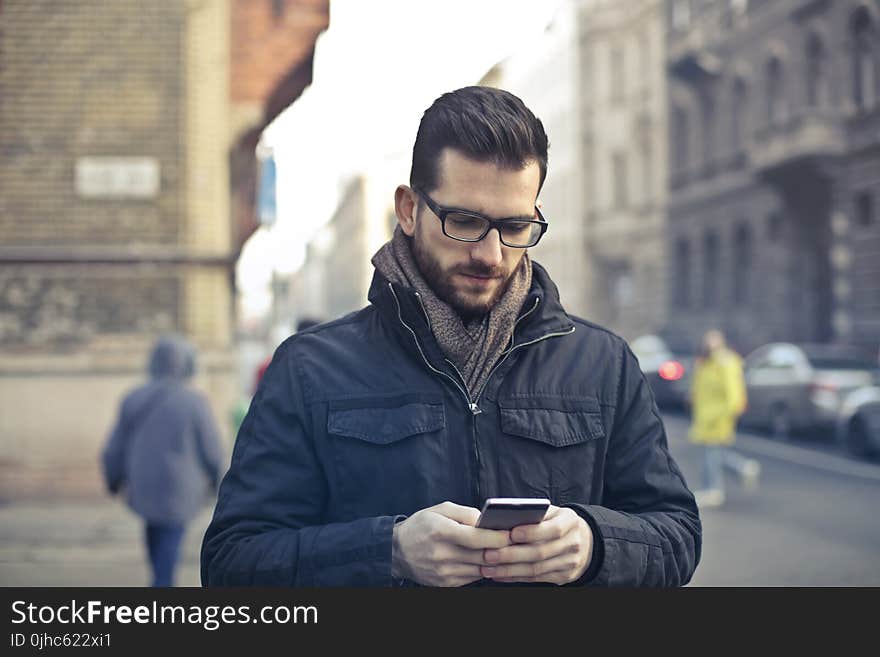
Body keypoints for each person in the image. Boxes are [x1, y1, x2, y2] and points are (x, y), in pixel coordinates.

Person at [201, 86, 700, 587]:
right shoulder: (309, 368)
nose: (490, 253)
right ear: (409, 209)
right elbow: (231, 564)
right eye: (464, 221)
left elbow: (677, 534)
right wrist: (387, 552)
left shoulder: (603, 362)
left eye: (515, 226)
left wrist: (595, 544)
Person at [102, 335, 226, 586]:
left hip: (143, 485)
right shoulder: (195, 402)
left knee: (155, 534)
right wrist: (219, 482)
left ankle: (160, 582)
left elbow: (114, 447)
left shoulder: (134, 398)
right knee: (169, 541)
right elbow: (212, 449)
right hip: (180, 489)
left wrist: (113, 478)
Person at [689, 329, 761, 509]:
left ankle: (713, 489)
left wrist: (726, 412)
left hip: (717, 415)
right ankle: (744, 467)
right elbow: (701, 387)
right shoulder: (706, 362)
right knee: (714, 453)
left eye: (712, 339)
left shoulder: (725, 362)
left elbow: (733, 394)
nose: (708, 343)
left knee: (711, 453)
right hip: (706, 415)